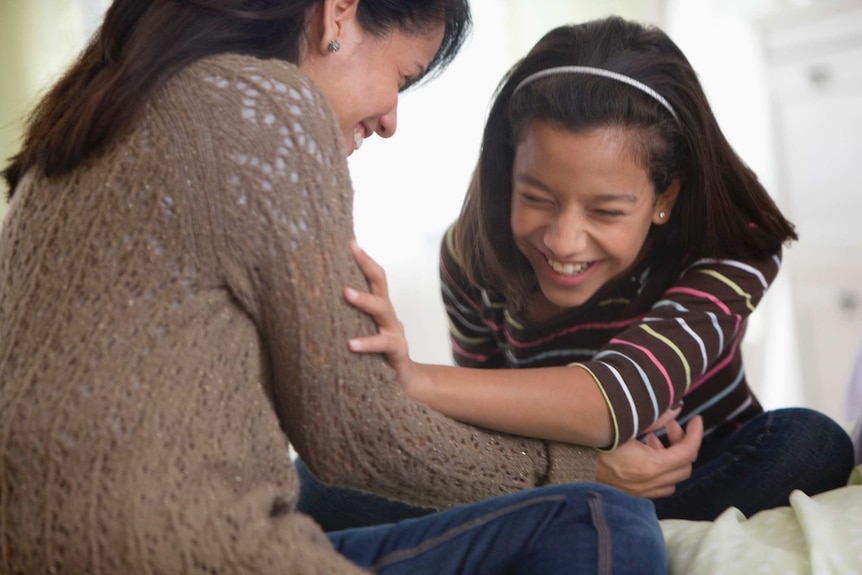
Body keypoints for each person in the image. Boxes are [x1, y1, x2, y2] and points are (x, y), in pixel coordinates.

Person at [0, 2, 672, 574]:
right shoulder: (264, 105)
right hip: (182, 552)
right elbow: (355, 430)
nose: (390, 120)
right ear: (339, 15)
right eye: (402, 76)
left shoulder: (92, 120)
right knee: (597, 520)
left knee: (314, 486)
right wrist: (580, 467)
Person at [328, 15, 855, 526]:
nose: (563, 240)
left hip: (704, 473)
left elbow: (618, 395)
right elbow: (485, 433)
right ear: (508, 168)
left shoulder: (728, 246)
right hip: (561, 478)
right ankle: (597, 519)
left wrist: (413, 380)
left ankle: (606, 528)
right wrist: (588, 471)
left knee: (810, 442)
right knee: (324, 480)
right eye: (535, 197)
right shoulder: (470, 257)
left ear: (664, 196)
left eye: (605, 212)